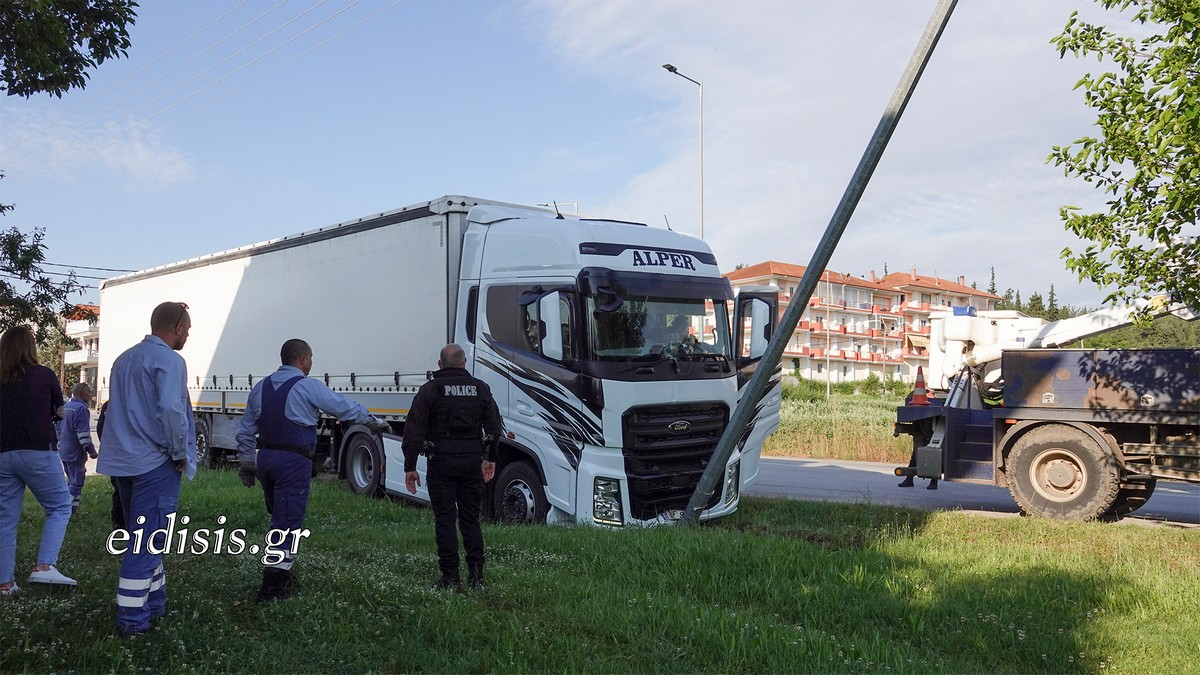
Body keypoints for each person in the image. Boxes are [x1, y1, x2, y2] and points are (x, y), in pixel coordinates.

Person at [236, 338, 389, 602]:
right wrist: (372, 422)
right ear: (303, 359)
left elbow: (246, 429)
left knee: (279, 517)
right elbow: (341, 407)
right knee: (286, 524)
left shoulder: (260, 387)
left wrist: (247, 464)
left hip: (267, 459)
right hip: (292, 461)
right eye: (311, 358)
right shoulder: (307, 386)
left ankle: (283, 572)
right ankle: (273, 588)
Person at [97, 301, 197, 638]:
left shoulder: (123, 359)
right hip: (154, 462)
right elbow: (171, 410)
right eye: (188, 327)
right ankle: (132, 622)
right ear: (179, 328)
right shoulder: (170, 360)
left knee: (142, 538)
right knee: (146, 543)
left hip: (123, 463)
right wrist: (180, 451)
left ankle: (156, 604)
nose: (189, 333)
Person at [403, 343, 502, 592]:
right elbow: (493, 428)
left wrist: (410, 467)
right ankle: (477, 578)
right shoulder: (481, 389)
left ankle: (450, 578)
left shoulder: (429, 390)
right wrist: (490, 458)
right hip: (471, 462)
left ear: (439, 365)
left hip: (441, 463)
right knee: (471, 519)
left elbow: (413, 432)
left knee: (445, 520)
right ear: (464, 364)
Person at [0, 326, 78, 596]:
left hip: (2, 455)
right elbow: (59, 411)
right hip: (38, 451)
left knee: (5, 519)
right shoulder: (43, 374)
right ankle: (44, 567)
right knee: (59, 506)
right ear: (31, 348)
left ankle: (5, 584)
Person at [58, 382, 98, 514]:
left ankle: (73, 510)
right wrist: (91, 450)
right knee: (77, 482)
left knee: (71, 481)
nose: (90, 395)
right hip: (75, 452)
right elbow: (83, 434)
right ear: (82, 393)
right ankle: (65, 509)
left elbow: (57, 428)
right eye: (89, 392)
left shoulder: (67, 407)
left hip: (64, 450)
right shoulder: (81, 409)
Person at [95, 400, 125, 530]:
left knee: (119, 489)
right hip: (125, 454)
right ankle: (121, 521)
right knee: (122, 490)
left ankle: (119, 522)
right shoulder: (131, 402)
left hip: (114, 454)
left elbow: (100, 428)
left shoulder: (109, 404)